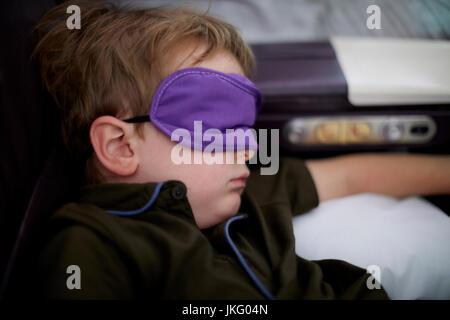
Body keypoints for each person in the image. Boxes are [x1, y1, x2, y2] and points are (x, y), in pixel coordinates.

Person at [29, 0, 449, 300]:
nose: (247, 146)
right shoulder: (95, 246)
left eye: (244, 126)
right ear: (120, 146)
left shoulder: (244, 192)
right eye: (212, 124)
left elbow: (350, 176)